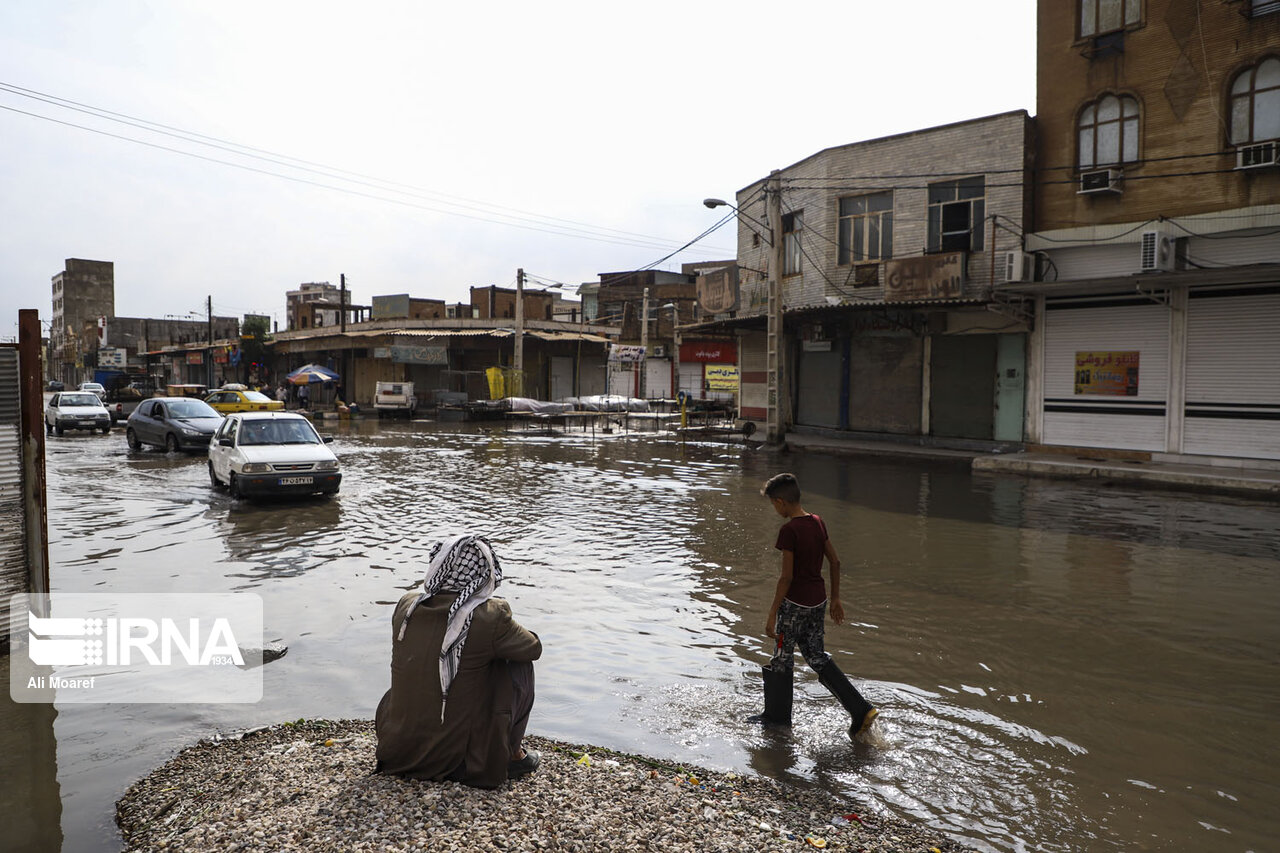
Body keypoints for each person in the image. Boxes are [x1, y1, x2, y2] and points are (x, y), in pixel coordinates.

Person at [375, 535, 542, 788]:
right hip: (462, 765)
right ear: (486, 571)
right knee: (518, 664)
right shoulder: (490, 615)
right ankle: (511, 754)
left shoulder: (406, 607)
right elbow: (533, 648)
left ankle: (413, 743)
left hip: (397, 752)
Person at [750, 472, 878, 739]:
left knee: (782, 659)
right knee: (816, 656)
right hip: (817, 602)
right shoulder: (818, 522)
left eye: (774, 504)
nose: (775, 509)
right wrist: (836, 599)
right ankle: (860, 709)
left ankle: (777, 720)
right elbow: (835, 561)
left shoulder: (789, 531)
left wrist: (772, 612)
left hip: (794, 605)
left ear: (781, 502)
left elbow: (786, 577)